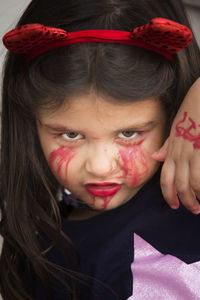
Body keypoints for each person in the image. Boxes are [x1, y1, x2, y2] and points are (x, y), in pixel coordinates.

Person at [1, 0, 200, 299]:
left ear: (173, 113)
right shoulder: (40, 256)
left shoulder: (193, 192)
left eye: (129, 133)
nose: (100, 166)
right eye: (70, 135)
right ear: (31, 121)